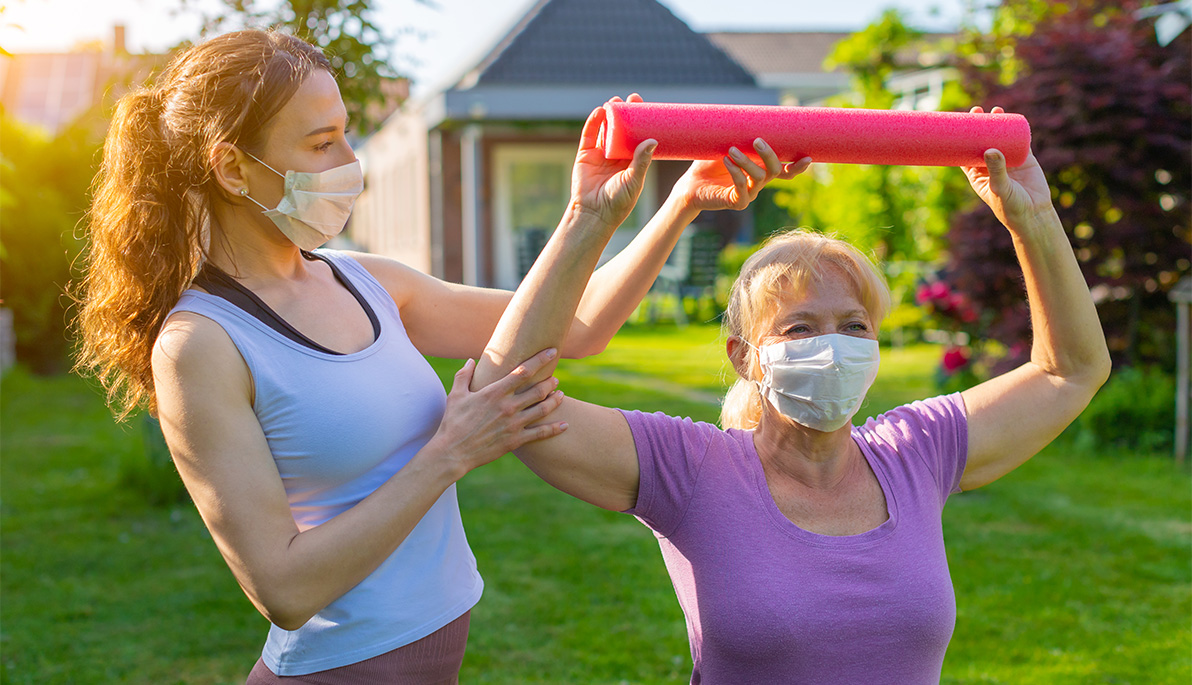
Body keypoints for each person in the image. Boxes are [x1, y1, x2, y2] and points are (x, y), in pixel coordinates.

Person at [74, 29, 806, 683]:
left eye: (346, 136)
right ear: (232, 169)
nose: (349, 163)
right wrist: (449, 451)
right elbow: (284, 588)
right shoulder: (201, 342)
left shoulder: (365, 281)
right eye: (320, 143)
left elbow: (574, 325)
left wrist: (670, 205)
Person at [469, 107, 1112, 683]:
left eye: (854, 327)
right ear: (745, 357)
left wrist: (1033, 218)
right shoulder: (692, 470)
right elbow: (507, 392)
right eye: (799, 328)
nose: (831, 347)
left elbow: (1071, 371)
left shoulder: (920, 452)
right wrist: (590, 217)